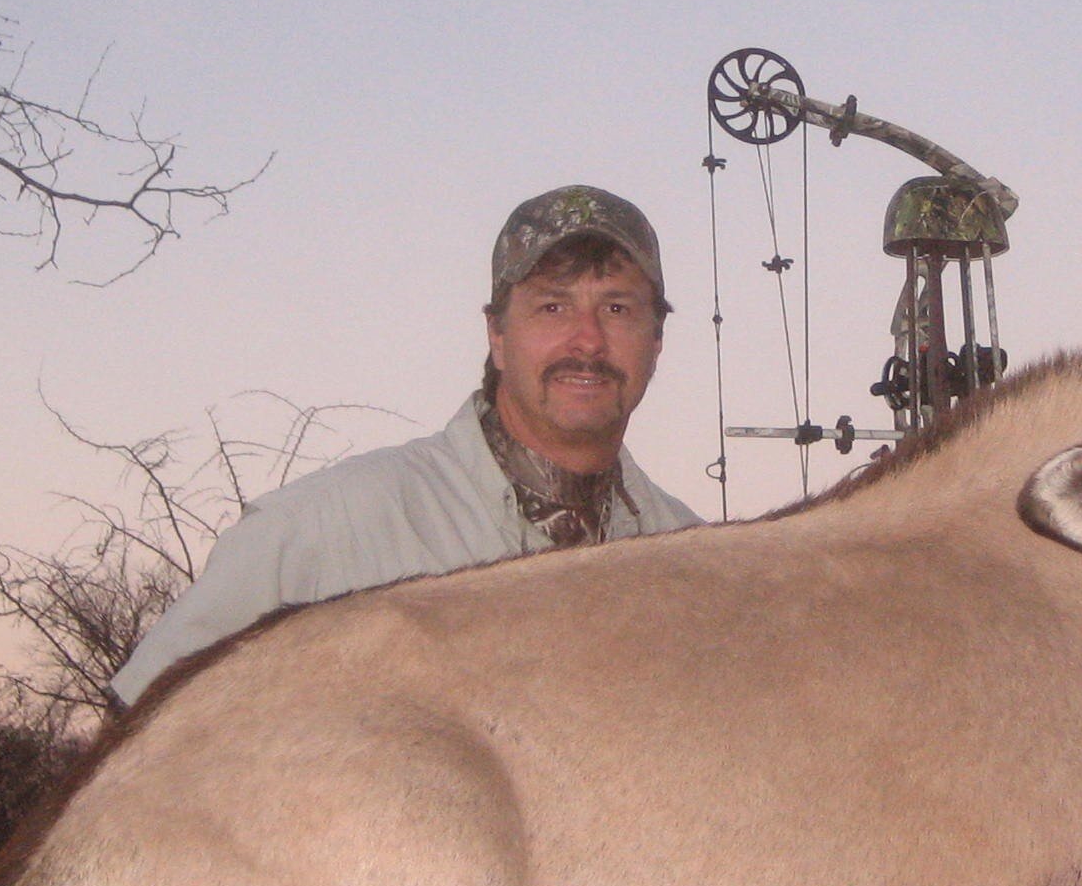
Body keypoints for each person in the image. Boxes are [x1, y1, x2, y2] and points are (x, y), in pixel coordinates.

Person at [110, 186, 702, 703]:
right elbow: (140, 731)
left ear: (656, 341)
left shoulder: (696, 567)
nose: (588, 340)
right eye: (553, 305)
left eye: (618, 309)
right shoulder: (330, 526)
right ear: (497, 335)